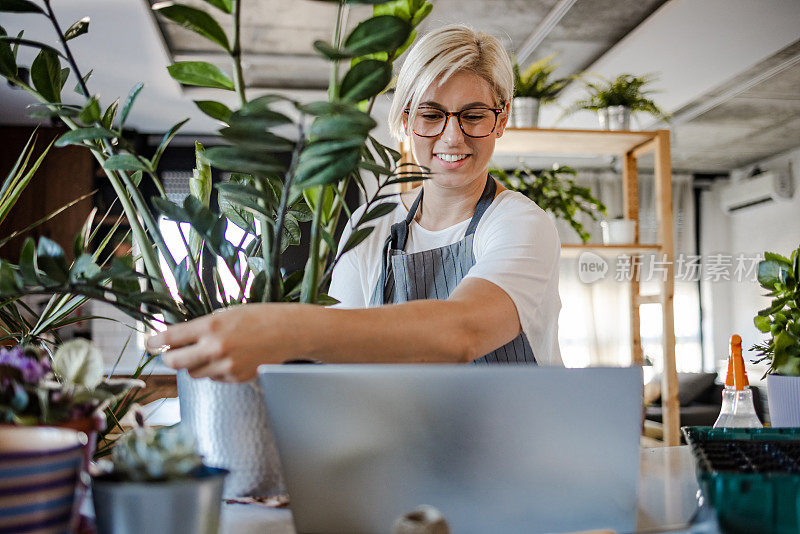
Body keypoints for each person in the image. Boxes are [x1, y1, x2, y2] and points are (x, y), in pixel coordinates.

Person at [147, 25, 562, 381]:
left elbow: (462, 333)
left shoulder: (521, 224)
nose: (452, 137)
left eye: (473, 115)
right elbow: (343, 361)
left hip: (516, 459)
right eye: (431, 115)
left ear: (501, 119)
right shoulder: (373, 224)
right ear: (404, 121)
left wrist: (286, 329)